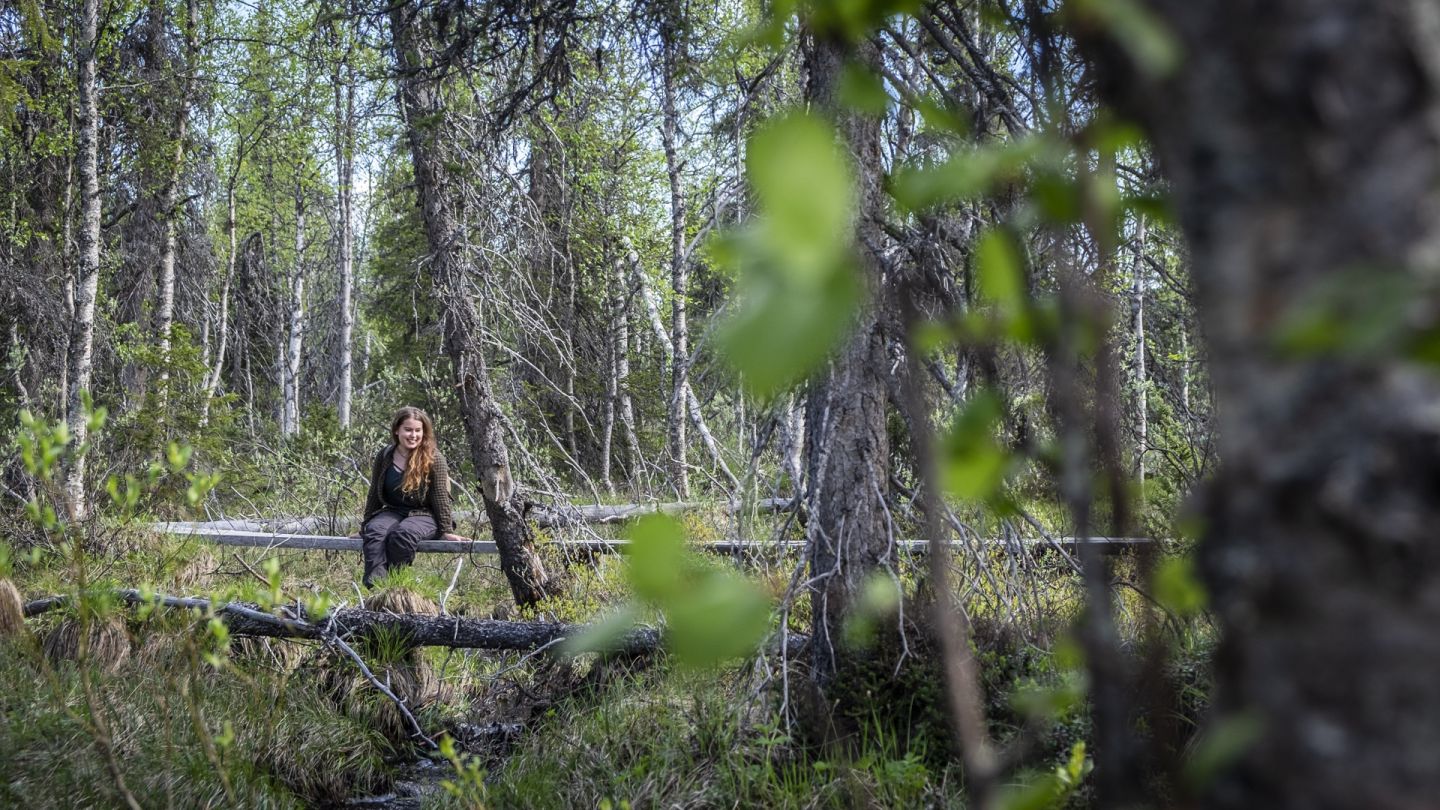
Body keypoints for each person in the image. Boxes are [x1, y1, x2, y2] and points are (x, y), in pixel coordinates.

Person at [359, 406, 464, 588]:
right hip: (393, 511)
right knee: (375, 532)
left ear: (424, 432)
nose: (413, 435)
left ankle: (396, 587)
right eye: (408, 430)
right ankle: (376, 589)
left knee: (403, 535)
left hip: (425, 514)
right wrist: (364, 527)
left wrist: (447, 530)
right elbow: (374, 494)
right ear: (397, 430)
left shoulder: (434, 458)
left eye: (418, 430)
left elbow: (440, 497)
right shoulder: (385, 456)